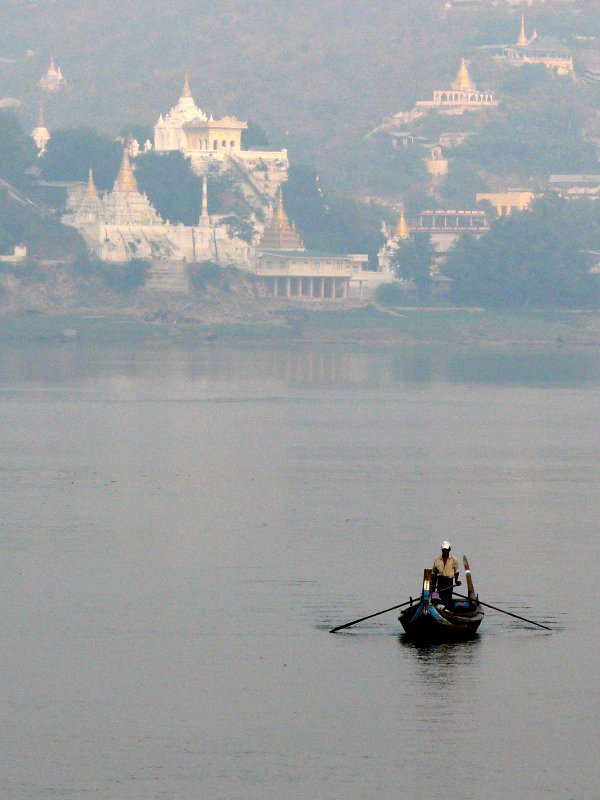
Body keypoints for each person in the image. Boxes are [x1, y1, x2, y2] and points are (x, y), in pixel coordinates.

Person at [431, 541, 461, 609]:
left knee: (447, 598)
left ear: (449, 550)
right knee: (438, 597)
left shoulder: (454, 559)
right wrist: (433, 586)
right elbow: (434, 574)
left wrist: (456, 581)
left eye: (446, 550)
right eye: (443, 550)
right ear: (441, 550)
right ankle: (439, 608)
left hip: (449, 581)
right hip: (440, 580)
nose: (445, 551)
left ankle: (447, 609)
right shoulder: (437, 560)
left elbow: (456, 571)